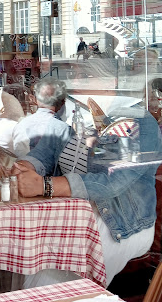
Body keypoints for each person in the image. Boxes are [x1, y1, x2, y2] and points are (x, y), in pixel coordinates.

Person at [13, 77, 162, 288]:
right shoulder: (68, 113)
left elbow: (114, 182)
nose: (75, 79)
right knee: (26, 259)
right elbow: (43, 154)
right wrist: (24, 167)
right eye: (74, 73)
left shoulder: (138, 121)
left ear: (109, 82)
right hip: (72, 214)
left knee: (49, 281)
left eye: (85, 75)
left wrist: (46, 185)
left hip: (118, 222)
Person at [11, 77, 69, 156]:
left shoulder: (22, 125)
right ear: (62, 103)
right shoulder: (64, 130)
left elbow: (19, 155)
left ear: (36, 100)